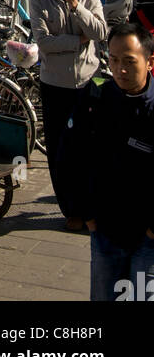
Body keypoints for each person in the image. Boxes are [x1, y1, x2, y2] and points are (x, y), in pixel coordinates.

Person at [57, 22, 154, 302]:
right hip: (105, 230)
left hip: (148, 239)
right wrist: (87, 215)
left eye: (129, 61)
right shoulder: (96, 97)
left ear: (149, 62)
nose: (119, 69)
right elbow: (69, 156)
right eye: (112, 60)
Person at [29, 0, 107, 228]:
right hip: (55, 85)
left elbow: (100, 32)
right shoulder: (39, 2)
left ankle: (91, 209)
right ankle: (70, 210)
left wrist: (76, 6)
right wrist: (78, 41)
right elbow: (44, 43)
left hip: (87, 83)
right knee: (60, 151)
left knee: (89, 149)